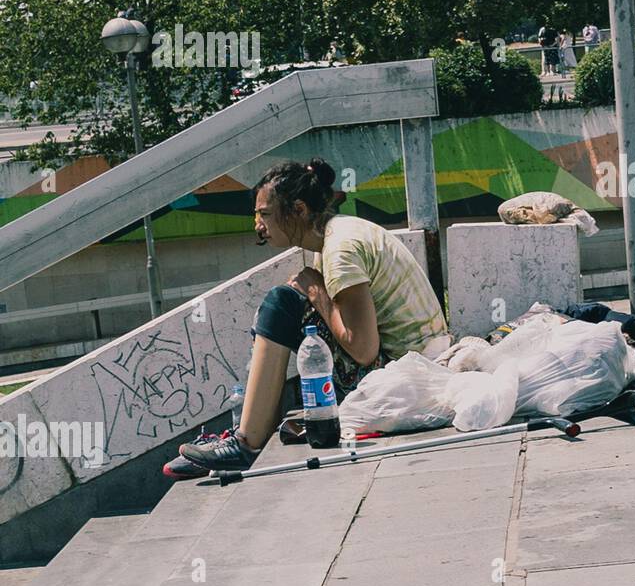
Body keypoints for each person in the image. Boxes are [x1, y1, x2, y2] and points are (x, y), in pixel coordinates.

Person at [170, 158, 450, 475]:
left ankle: (246, 442)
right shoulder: (336, 234)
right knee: (289, 305)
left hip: (409, 375)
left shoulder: (340, 250)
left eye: (264, 214)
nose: (257, 225)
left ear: (299, 210)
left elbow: (364, 349)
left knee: (282, 304)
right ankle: (250, 430)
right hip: (415, 364)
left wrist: (317, 293)